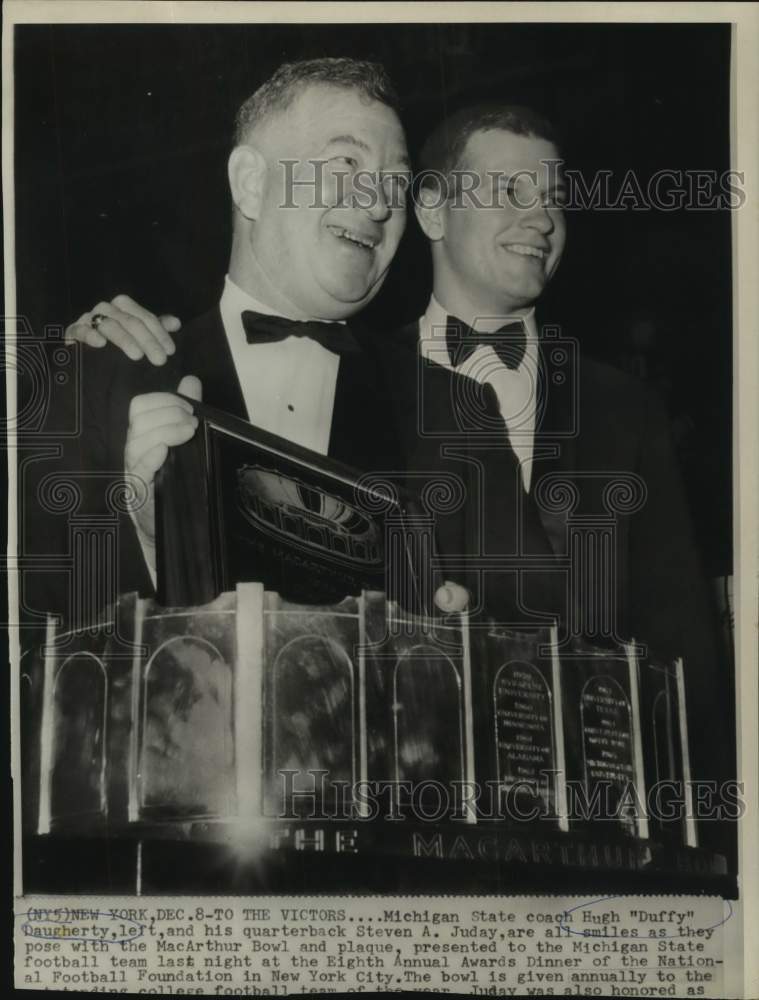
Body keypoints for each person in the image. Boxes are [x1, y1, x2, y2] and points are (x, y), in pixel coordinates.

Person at [70, 100, 731, 811]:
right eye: (508, 191)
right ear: (432, 212)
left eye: (553, 201)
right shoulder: (351, 365)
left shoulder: (623, 405)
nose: (540, 219)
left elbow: (680, 641)